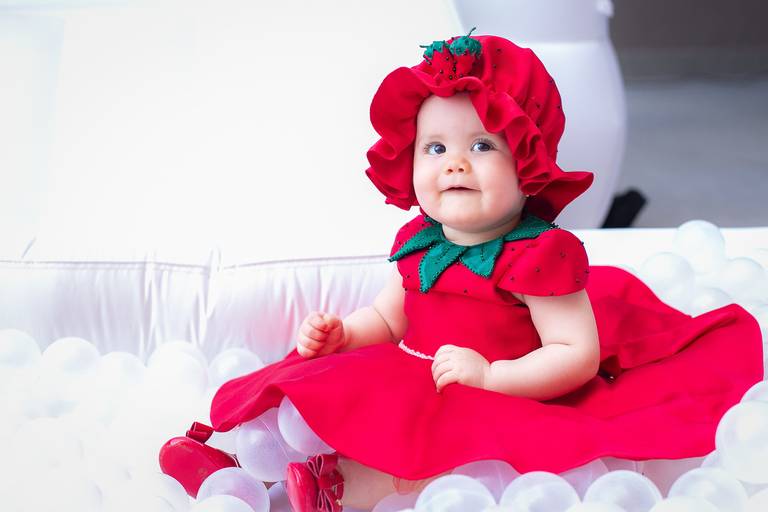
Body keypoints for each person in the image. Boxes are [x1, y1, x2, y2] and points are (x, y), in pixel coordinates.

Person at [159, 29, 764, 512]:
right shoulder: (418, 242)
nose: (455, 164)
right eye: (436, 148)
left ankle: (326, 491)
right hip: (417, 371)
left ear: (526, 161)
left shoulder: (538, 255)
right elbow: (388, 317)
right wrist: (345, 333)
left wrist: (493, 375)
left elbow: (574, 353)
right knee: (316, 389)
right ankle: (237, 463)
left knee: (422, 461)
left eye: (481, 146)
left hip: (500, 388)